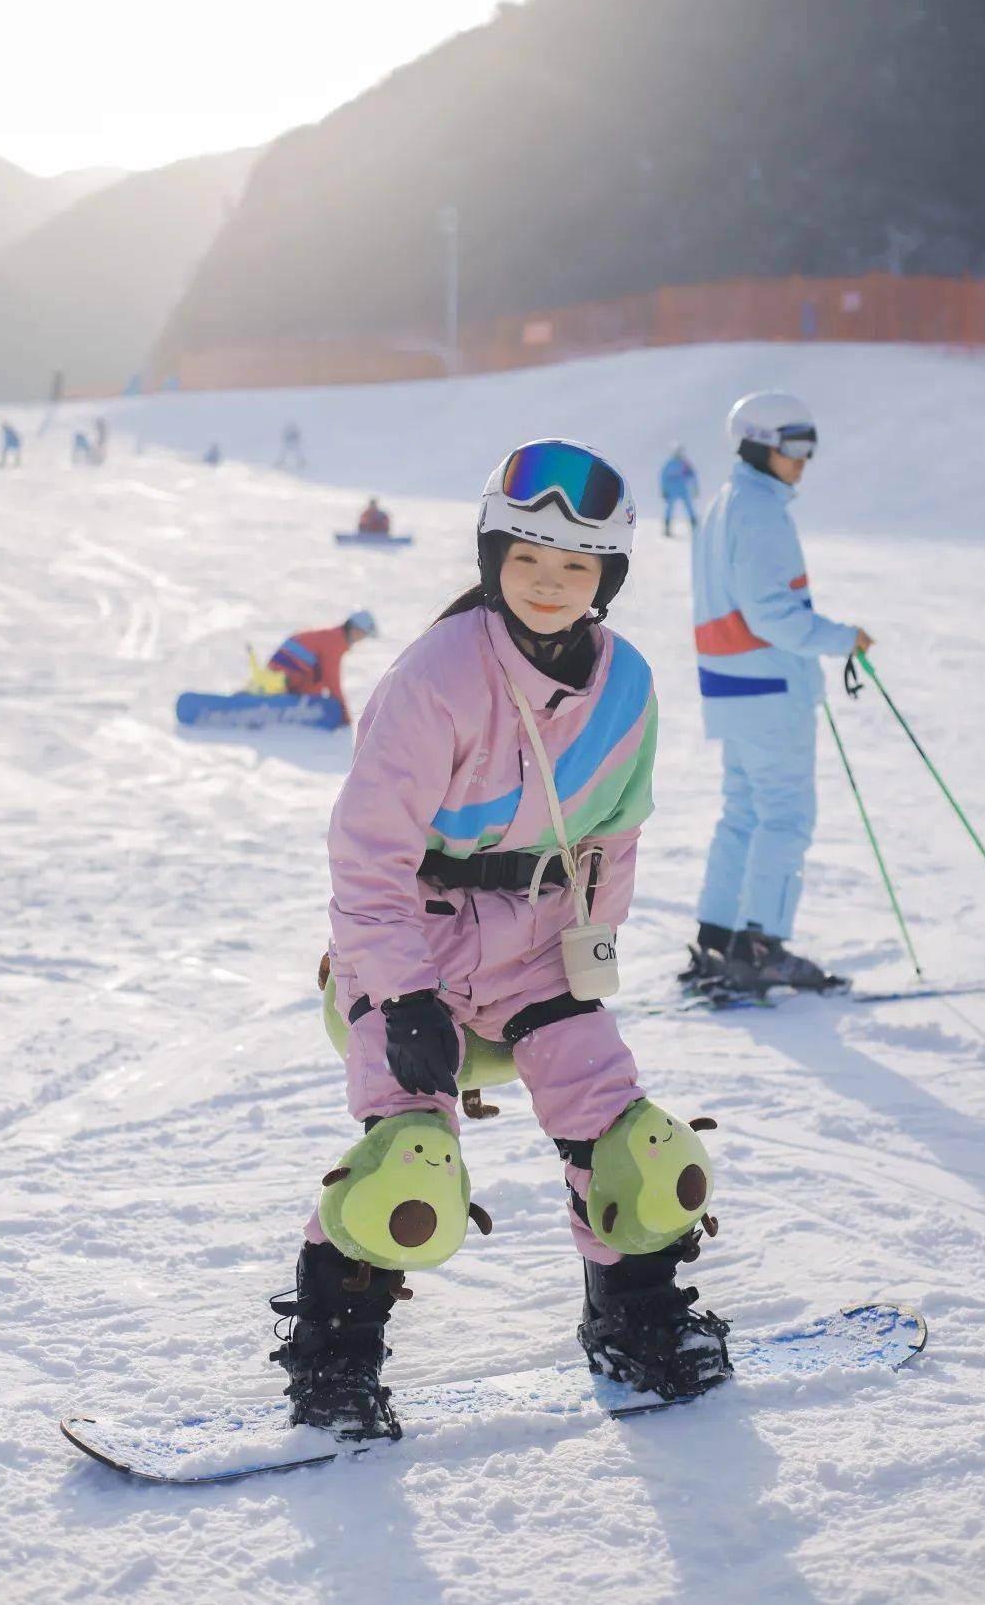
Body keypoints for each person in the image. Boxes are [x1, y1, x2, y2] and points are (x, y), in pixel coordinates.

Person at [268, 438, 730, 1440]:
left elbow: (612, 835)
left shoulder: (627, 684)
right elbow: (367, 854)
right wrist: (402, 995)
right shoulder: (436, 677)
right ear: (492, 561)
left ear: (608, 574)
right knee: (410, 1168)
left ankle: (636, 1322)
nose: (549, 584)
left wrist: (590, 959)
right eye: (526, 559)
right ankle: (333, 1364)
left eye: (575, 565)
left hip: (534, 948)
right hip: (412, 946)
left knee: (639, 1153)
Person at [682, 390, 874, 994]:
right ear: (760, 443)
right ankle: (759, 945)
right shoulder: (759, 512)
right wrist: (840, 638)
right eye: (795, 446)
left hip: (734, 688)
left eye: (811, 446)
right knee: (785, 817)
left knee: (745, 813)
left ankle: (720, 939)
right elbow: (771, 614)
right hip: (767, 688)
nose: (805, 459)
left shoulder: (726, 503)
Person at [250, 611, 377, 725]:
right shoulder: (335, 642)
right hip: (286, 675)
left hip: (282, 673)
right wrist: (344, 715)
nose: (361, 639)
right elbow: (331, 680)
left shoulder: (331, 636)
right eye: (363, 634)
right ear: (355, 629)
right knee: (320, 699)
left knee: (317, 689)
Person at [660, 443, 699, 535]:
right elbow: (663, 477)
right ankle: (667, 528)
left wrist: (695, 488)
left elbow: (693, 475)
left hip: (682, 489)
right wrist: (664, 490)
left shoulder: (684, 463)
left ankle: (695, 527)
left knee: (689, 507)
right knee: (669, 509)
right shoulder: (669, 463)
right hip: (672, 490)